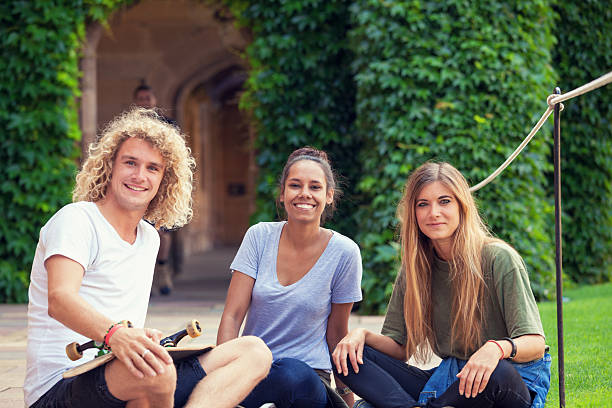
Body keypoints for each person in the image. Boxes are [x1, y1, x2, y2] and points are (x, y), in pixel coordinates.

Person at [24, 107, 272, 408]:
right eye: (130, 162)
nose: (139, 176)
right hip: (61, 386)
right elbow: (60, 298)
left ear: (164, 180)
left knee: (253, 352)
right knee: (156, 371)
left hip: (127, 376)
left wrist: (139, 337)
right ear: (110, 166)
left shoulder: (149, 237)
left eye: (153, 168)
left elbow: (123, 324)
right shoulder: (77, 220)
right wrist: (117, 335)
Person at [332, 162, 551, 408]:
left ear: (462, 206)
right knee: (348, 356)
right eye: (422, 204)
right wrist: (360, 335)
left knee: (497, 373)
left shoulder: (499, 258)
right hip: (451, 380)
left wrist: (496, 349)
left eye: (444, 201)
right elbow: (400, 348)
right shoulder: (415, 268)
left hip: (508, 380)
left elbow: (535, 343)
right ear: (413, 213)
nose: (433, 212)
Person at [217, 147, 363, 408]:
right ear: (283, 194)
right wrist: (221, 375)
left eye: (315, 187)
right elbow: (232, 315)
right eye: (295, 185)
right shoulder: (259, 237)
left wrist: (345, 398)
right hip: (253, 371)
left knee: (293, 373)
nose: (304, 193)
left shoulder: (345, 253)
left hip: (307, 379)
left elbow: (337, 334)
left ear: (329, 196)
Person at [133, 81, 181, 295]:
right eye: (141, 99)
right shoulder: (128, 126)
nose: (145, 102)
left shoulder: (167, 125)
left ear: (154, 101)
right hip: (136, 184)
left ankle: (162, 270)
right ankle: (142, 276)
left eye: (148, 98)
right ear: (136, 101)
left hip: (160, 183)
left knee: (161, 230)